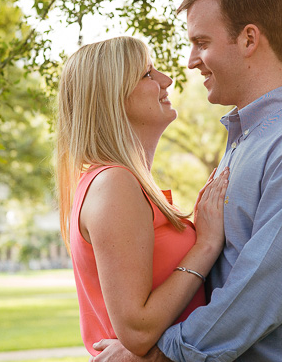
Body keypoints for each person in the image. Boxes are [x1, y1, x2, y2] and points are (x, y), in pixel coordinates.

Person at [92, 0, 282, 361]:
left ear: (248, 39)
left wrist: (160, 352)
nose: (191, 62)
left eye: (201, 43)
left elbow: (263, 289)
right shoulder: (246, 142)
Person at [56, 36, 230, 357]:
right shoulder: (114, 184)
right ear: (113, 98)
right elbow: (137, 329)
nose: (167, 80)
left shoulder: (125, 183)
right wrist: (205, 245)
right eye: (148, 74)